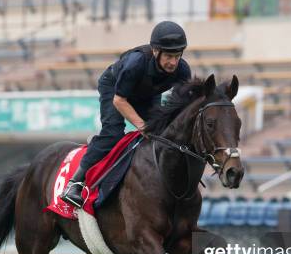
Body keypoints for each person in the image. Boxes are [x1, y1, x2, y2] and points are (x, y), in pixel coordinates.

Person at [60, 20, 192, 208]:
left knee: (162, 134)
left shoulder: (182, 69)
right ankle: (74, 184)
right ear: (155, 51)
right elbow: (119, 100)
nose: (173, 62)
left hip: (147, 93)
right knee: (113, 134)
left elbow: (184, 104)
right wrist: (141, 124)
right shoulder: (135, 63)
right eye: (169, 56)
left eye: (177, 56)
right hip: (114, 89)